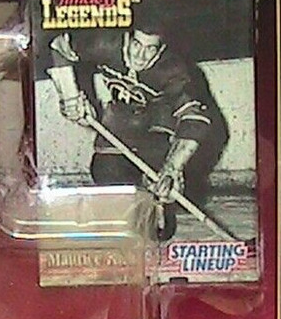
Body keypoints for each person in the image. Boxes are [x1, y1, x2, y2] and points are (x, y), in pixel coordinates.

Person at [47, 17, 227, 239]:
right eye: (136, 44)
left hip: (159, 120)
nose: (140, 56)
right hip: (122, 116)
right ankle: (133, 200)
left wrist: (172, 168)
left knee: (161, 184)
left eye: (150, 49)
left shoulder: (173, 70)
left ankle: (160, 203)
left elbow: (195, 119)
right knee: (105, 171)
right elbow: (59, 46)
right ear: (127, 38)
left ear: (161, 49)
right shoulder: (104, 44)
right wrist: (69, 95)